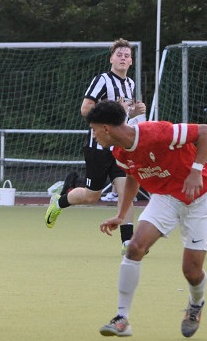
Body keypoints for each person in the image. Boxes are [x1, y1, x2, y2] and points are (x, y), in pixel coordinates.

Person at [86, 99, 207, 338]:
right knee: (134, 248)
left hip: (199, 196)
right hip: (166, 197)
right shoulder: (119, 153)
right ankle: (122, 319)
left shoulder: (157, 132)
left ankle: (196, 304)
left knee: (191, 271)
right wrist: (120, 214)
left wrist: (195, 171)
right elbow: (133, 180)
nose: (93, 135)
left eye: (94, 129)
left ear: (106, 128)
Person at [44, 38, 147, 253]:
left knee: (125, 192)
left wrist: (134, 112)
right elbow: (85, 109)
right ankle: (59, 201)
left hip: (120, 148)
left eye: (127, 55)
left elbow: (123, 114)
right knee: (93, 195)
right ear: (111, 58)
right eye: (119, 54)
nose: (123, 58)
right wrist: (111, 108)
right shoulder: (102, 80)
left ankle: (127, 242)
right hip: (98, 147)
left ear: (131, 62)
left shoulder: (130, 84)